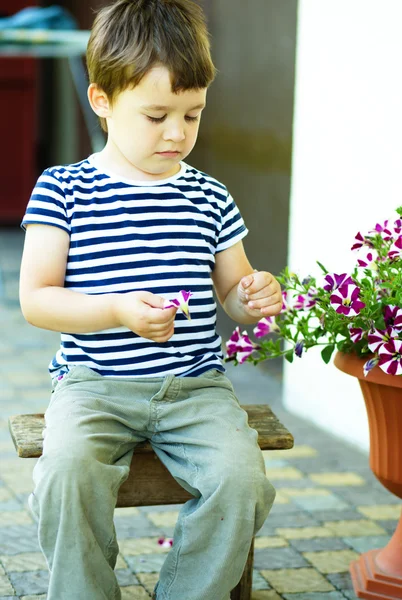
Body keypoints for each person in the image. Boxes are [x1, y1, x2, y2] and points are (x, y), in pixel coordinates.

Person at [19, 1, 283, 599]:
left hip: (195, 389)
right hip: (93, 386)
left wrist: (254, 296)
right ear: (102, 100)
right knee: (65, 477)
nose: (177, 133)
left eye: (192, 115)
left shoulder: (209, 195)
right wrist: (115, 310)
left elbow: (233, 297)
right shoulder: (64, 188)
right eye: (157, 114)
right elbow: (37, 300)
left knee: (242, 482)